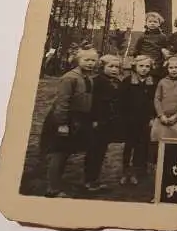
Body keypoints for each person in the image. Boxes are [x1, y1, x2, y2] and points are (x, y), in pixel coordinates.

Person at [40, 48, 99, 198]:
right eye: (87, 60)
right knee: (59, 153)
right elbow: (62, 102)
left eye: (93, 60)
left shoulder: (89, 78)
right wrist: (62, 124)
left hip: (78, 120)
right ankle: (52, 188)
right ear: (78, 60)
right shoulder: (69, 78)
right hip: (65, 119)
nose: (90, 63)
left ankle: (59, 183)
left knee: (67, 152)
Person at [84, 54, 123, 192]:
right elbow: (93, 103)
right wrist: (94, 120)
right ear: (102, 67)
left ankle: (94, 179)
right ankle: (89, 180)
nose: (114, 69)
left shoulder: (117, 82)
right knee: (94, 151)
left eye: (117, 67)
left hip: (108, 122)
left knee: (101, 150)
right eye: (110, 66)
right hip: (98, 122)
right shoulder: (97, 81)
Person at [119, 55, 157, 185]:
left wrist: (152, 117)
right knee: (129, 146)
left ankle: (136, 171)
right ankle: (125, 172)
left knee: (141, 146)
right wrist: (123, 118)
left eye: (147, 66)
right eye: (141, 66)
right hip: (130, 120)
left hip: (145, 121)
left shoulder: (152, 82)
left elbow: (154, 101)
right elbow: (121, 101)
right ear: (135, 66)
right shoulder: (128, 81)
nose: (144, 69)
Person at [150, 53, 177, 155]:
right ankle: (157, 166)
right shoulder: (162, 82)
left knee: (175, 146)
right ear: (167, 69)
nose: (174, 70)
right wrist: (161, 115)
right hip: (162, 118)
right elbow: (157, 99)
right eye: (171, 67)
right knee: (158, 144)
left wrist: (176, 116)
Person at [132, 11, 169, 81]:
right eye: (150, 22)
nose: (152, 23)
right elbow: (137, 48)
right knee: (141, 76)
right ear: (146, 23)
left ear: (159, 24)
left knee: (154, 78)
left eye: (155, 22)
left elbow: (165, 48)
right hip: (144, 61)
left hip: (156, 62)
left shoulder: (162, 37)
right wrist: (136, 56)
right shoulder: (143, 36)